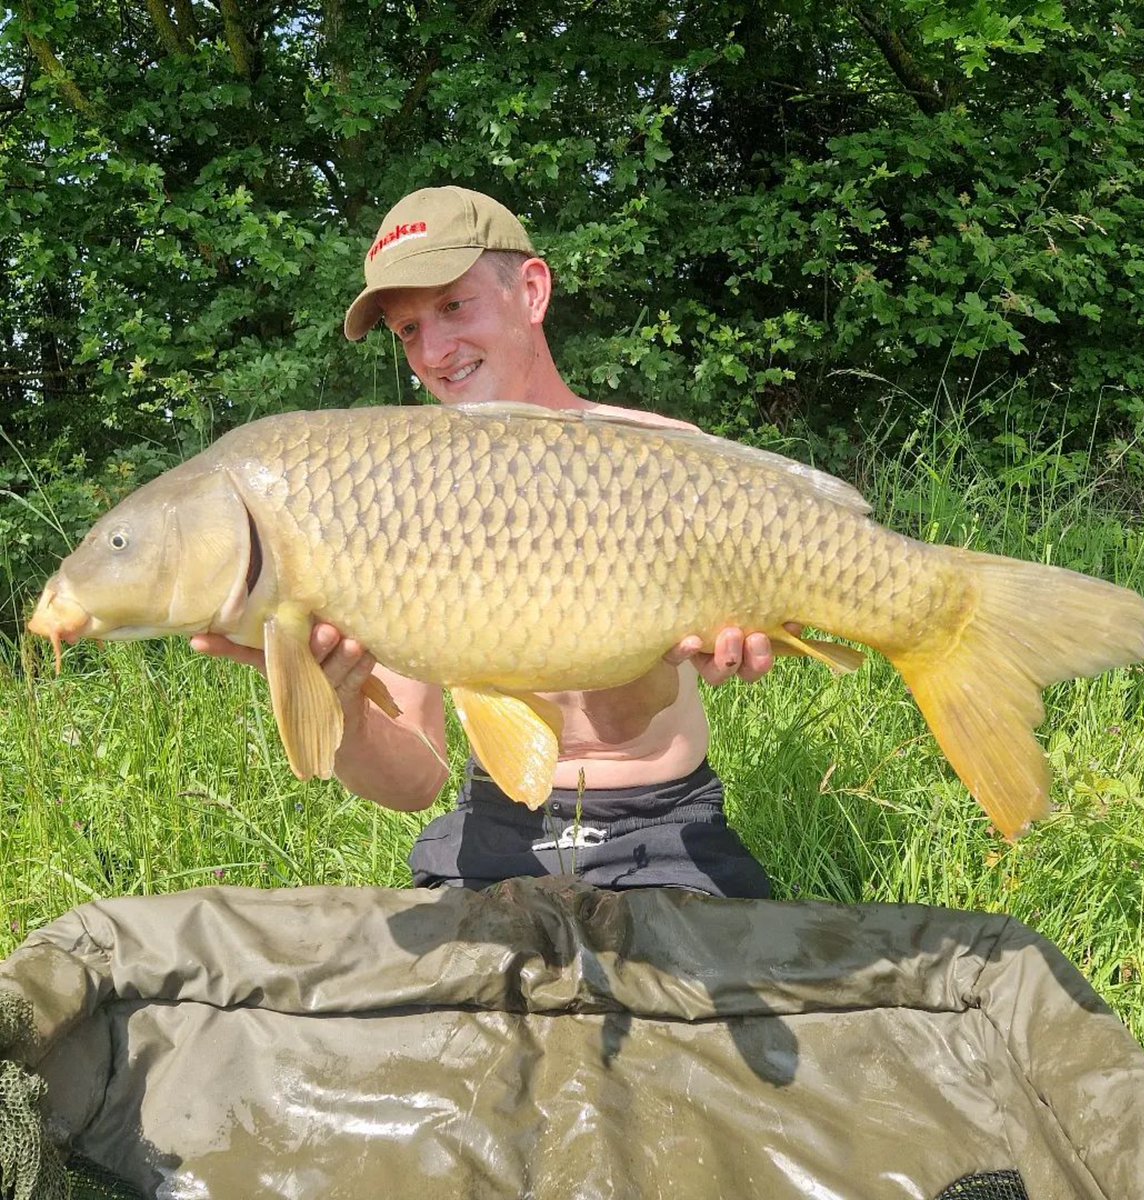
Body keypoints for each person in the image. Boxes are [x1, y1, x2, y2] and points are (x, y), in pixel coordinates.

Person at [193, 186, 786, 898]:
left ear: (531, 291)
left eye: (452, 306)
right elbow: (416, 782)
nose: (434, 351)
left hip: (661, 826)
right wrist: (342, 706)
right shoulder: (401, 492)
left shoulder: (661, 457)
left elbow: (628, 714)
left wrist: (717, 643)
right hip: (494, 824)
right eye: (407, 330)